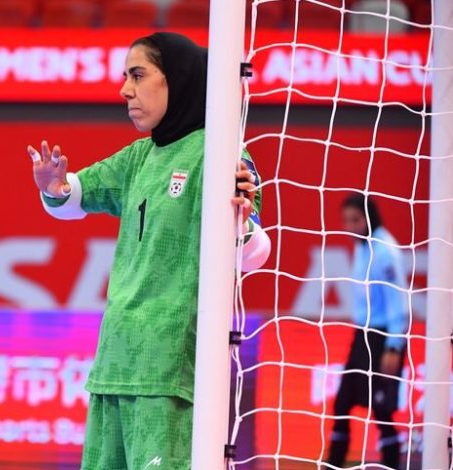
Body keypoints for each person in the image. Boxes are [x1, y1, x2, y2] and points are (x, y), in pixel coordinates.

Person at [25, 32, 271, 469]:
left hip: (169, 371)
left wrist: (240, 223)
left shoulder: (219, 153)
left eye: (138, 76)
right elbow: (74, 194)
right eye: (125, 77)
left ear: (176, 78)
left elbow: (254, 250)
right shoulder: (139, 157)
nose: (125, 90)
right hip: (113, 363)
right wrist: (54, 187)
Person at [327, 194, 409, 469]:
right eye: (346, 221)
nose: (349, 227)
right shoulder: (362, 246)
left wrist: (394, 347)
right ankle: (334, 464)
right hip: (361, 336)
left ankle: (392, 465)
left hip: (383, 339)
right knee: (342, 405)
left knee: (382, 412)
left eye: (355, 220)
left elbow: (399, 302)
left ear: (368, 218)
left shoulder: (385, 251)